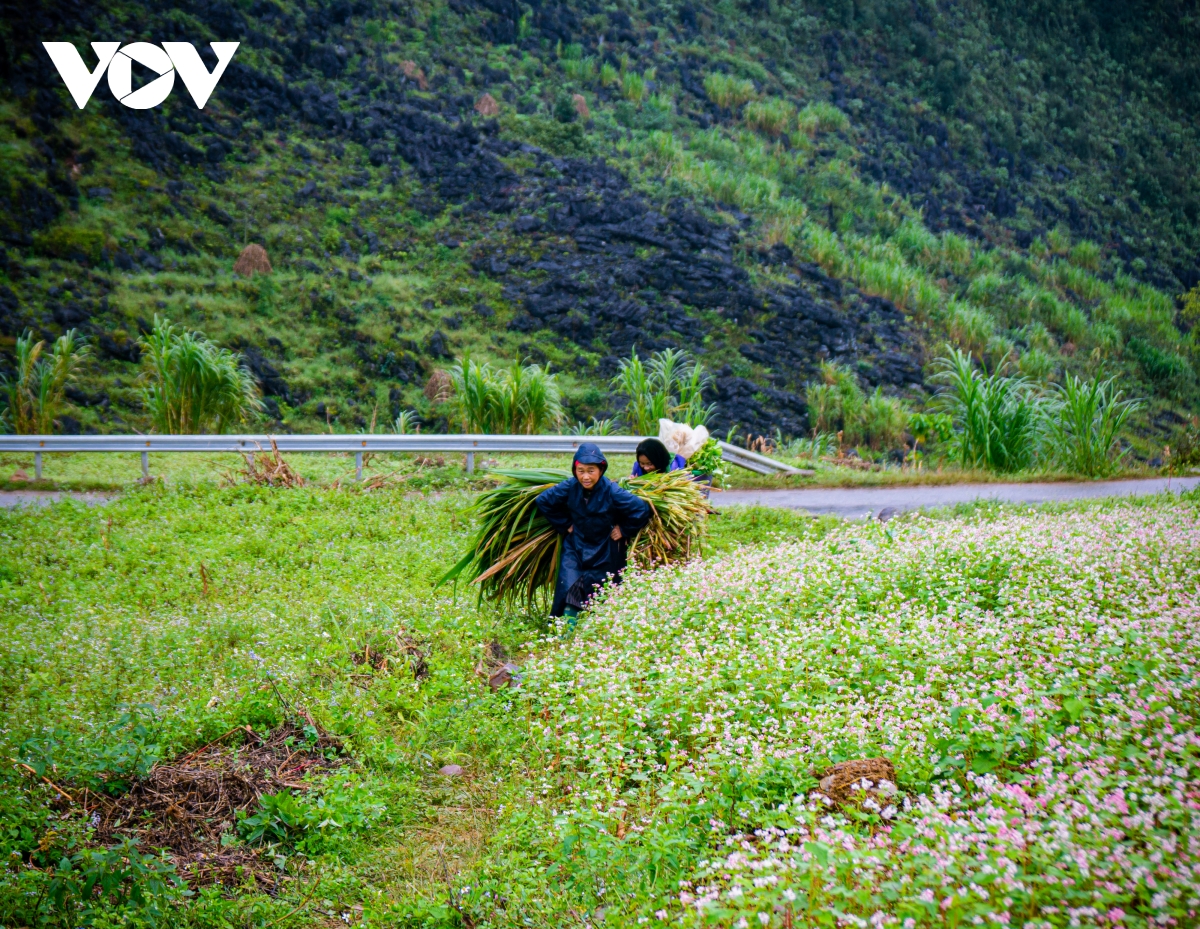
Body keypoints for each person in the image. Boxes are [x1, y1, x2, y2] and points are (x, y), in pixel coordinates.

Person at [536, 443, 652, 626]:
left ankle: (596, 631)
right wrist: (565, 524)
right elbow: (544, 501)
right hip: (575, 546)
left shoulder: (612, 491)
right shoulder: (570, 487)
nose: (585, 476)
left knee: (602, 592)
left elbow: (641, 509)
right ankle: (566, 633)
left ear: (601, 469)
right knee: (569, 586)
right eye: (581, 471)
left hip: (605, 549)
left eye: (591, 471)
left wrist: (624, 530)